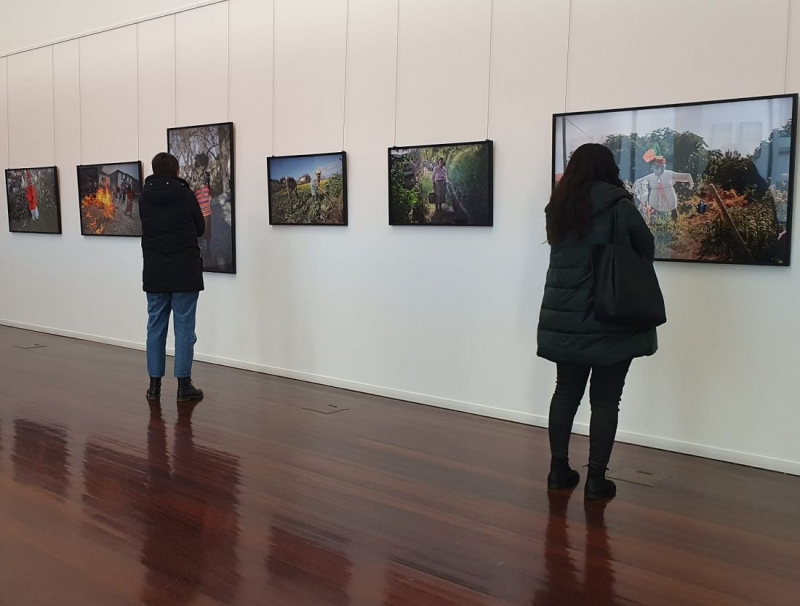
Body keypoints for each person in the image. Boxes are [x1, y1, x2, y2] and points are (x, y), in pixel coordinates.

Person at [538, 143, 658, 501]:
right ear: (609, 169)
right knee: (606, 400)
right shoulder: (619, 206)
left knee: (565, 392)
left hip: (565, 315)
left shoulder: (557, 208)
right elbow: (645, 248)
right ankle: (596, 479)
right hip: (612, 314)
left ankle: (558, 469)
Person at [140, 152, 205, 403]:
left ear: (154, 171)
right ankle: (183, 385)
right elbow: (199, 227)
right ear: (176, 170)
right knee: (184, 327)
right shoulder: (185, 195)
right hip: (184, 271)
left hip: (155, 270)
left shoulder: (144, 197)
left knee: (155, 327)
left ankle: (154, 386)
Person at [633, 156, 694, 222]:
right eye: (655, 167)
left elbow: (684, 176)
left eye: (658, 167)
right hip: (655, 196)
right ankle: (653, 222)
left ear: (662, 167)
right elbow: (639, 181)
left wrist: (691, 183)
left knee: (672, 209)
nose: (656, 169)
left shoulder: (669, 174)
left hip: (668, 194)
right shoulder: (651, 176)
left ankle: (675, 222)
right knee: (653, 210)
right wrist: (634, 190)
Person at [194, 172, 213, 255]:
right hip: (201, 214)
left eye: (203, 179)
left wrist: (209, 199)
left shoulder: (206, 188)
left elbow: (211, 196)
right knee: (202, 233)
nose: (202, 181)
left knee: (207, 233)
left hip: (207, 214)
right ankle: (201, 250)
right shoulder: (197, 190)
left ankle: (207, 250)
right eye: (201, 179)